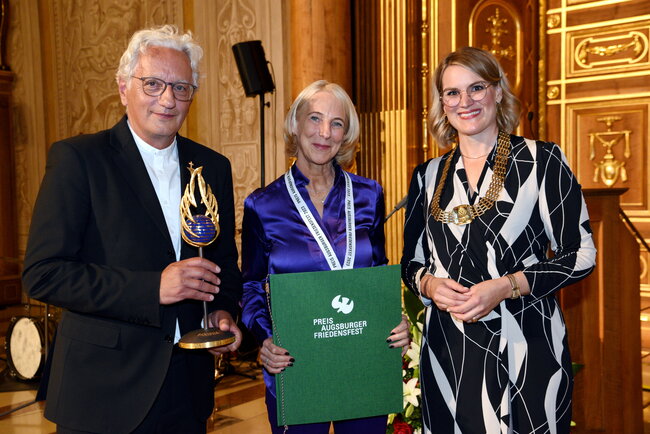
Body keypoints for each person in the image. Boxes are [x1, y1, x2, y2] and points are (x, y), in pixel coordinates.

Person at [22, 25, 242, 433]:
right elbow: (43, 272)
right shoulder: (78, 159)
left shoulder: (213, 167)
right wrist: (152, 288)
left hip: (187, 385)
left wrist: (224, 312)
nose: (167, 99)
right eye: (153, 84)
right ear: (124, 88)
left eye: (181, 87)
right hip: (103, 389)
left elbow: (223, 261)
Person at [401, 46, 597, 433]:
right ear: (441, 103)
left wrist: (506, 286)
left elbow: (581, 254)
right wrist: (429, 284)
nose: (465, 102)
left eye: (477, 88)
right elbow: (410, 262)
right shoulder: (427, 175)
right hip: (448, 353)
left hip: (526, 344)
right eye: (452, 93)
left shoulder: (541, 160)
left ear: (497, 91)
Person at [241, 80, 409, 433]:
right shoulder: (263, 205)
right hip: (296, 365)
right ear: (295, 124)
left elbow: (376, 273)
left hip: (364, 362)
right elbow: (251, 285)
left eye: (337, 123)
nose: (324, 133)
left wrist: (395, 321)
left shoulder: (369, 195)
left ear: (346, 134)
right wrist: (265, 338)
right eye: (314, 119)